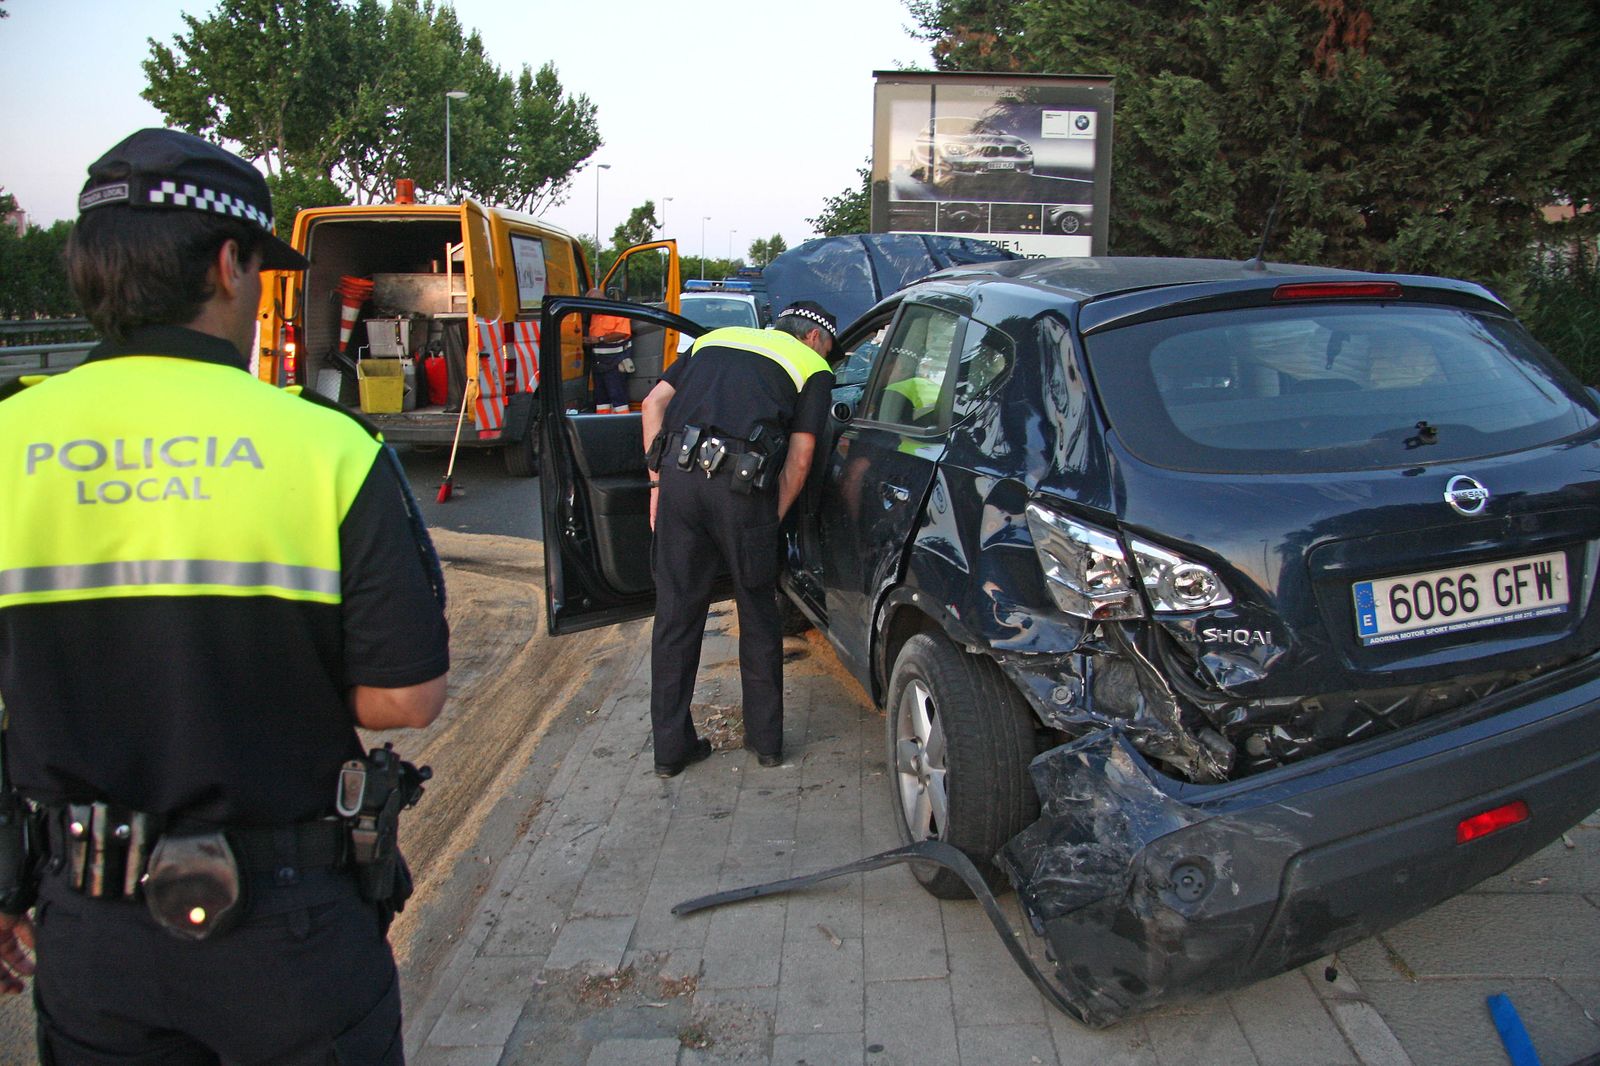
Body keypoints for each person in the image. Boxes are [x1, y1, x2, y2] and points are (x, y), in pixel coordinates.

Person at [0, 128, 450, 1063]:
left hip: (89, 934)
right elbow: (401, 699)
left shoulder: (11, 440)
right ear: (226, 264)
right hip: (289, 932)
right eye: (259, 271)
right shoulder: (325, 448)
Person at [640, 302, 836, 777]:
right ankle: (765, 743)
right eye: (831, 348)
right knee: (757, 610)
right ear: (813, 337)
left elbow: (652, 405)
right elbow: (803, 454)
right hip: (743, 491)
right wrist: (772, 515)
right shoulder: (812, 366)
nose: (831, 356)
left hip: (681, 481)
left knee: (676, 616)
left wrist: (657, 483)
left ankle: (670, 752)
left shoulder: (712, 339)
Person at [585, 286, 634, 409]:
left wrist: (599, 339)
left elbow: (622, 333)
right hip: (599, 364)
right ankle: (602, 425)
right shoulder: (595, 315)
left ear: (601, 300)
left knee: (618, 399)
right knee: (601, 401)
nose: (590, 309)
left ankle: (622, 426)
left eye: (592, 305)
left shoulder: (618, 311)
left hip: (616, 363)